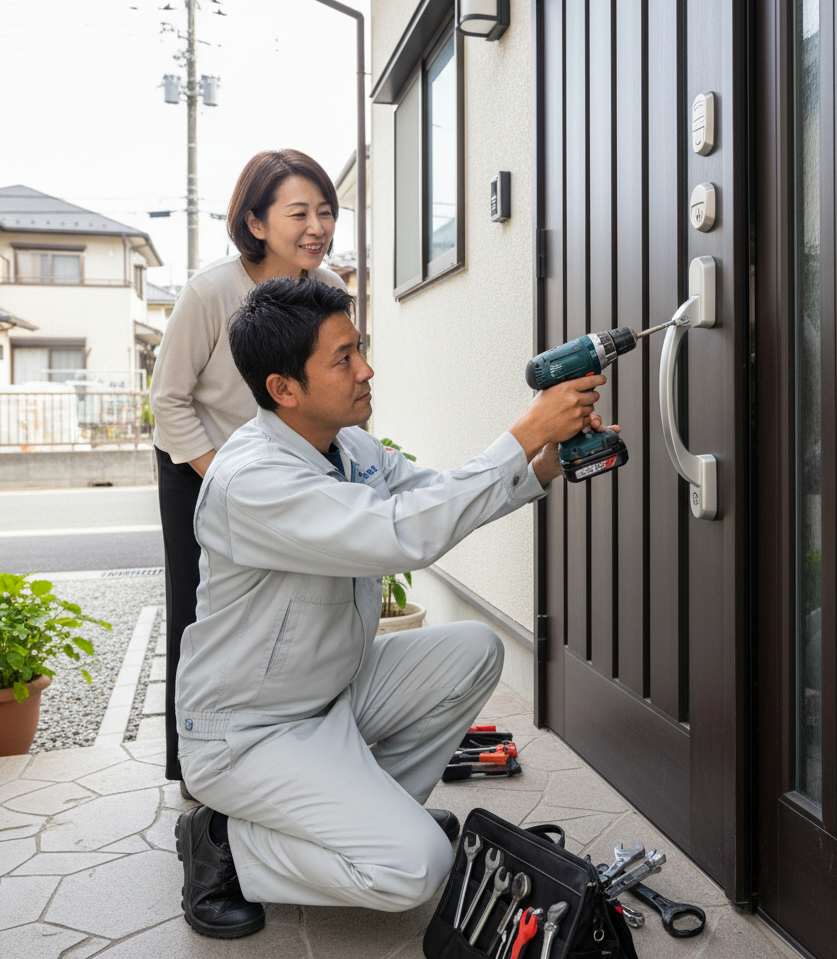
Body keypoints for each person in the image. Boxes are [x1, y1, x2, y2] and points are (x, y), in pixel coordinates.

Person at [173, 277, 615, 938]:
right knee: (418, 869)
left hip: (330, 694)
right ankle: (225, 842)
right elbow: (398, 532)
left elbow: (431, 497)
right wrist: (523, 430)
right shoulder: (252, 481)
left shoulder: (347, 446)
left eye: (361, 348)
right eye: (343, 358)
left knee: (473, 650)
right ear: (283, 389)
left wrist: (542, 465)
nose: (366, 369)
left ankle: (369, 820)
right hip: (250, 731)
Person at [150, 149, 348, 789]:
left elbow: (332, 386)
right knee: (203, 618)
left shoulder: (332, 292)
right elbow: (168, 399)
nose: (317, 225)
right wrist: (225, 481)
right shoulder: (213, 291)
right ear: (256, 223)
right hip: (199, 468)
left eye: (325, 210)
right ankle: (194, 772)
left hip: (284, 472)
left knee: (295, 611)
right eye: (299, 212)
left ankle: (290, 747)